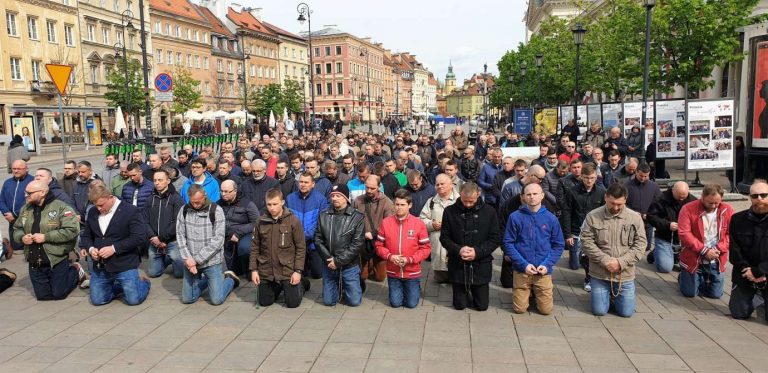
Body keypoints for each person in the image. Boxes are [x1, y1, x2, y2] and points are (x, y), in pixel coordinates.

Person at [581, 183, 646, 317]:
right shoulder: (593, 216)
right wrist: (605, 260)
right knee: (599, 311)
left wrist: (621, 262)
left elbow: (640, 244)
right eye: (612, 203)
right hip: (600, 273)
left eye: (619, 204)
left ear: (625, 200)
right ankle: (603, 296)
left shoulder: (634, 218)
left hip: (625, 274)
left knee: (626, 313)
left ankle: (612, 297)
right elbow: (586, 242)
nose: (615, 207)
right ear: (605, 197)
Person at [79, 184, 150, 306]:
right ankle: (119, 287)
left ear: (110, 197)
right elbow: (86, 236)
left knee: (133, 300)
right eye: (96, 205)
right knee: (98, 300)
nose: (99, 208)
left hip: (124, 263)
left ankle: (143, 282)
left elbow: (139, 237)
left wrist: (114, 248)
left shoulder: (131, 211)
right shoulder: (92, 212)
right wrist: (90, 249)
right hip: (101, 265)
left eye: (101, 205)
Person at [14, 181, 85, 300]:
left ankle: (75, 270)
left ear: (42, 192)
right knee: (43, 297)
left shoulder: (61, 207)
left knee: (59, 294)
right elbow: (17, 228)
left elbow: (72, 230)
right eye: (26, 192)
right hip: (35, 259)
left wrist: (45, 237)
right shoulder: (26, 209)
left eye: (30, 193)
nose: (26, 195)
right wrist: (22, 237)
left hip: (56, 258)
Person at [503, 183, 564, 314]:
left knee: (546, 310)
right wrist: (523, 264)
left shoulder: (551, 218)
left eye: (535, 194)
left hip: (543, 270)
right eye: (528, 194)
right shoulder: (515, 217)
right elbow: (508, 243)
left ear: (542, 196)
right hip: (522, 269)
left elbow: (558, 244)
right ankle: (525, 293)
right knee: (519, 309)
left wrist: (547, 265)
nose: (532, 197)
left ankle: (536, 293)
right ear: (523, 197)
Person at [440, 182, 502, 311]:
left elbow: (495, 238)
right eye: (464, 201)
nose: (468, 204)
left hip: (480, 263)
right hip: (458, 263)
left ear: (478, 195)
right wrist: (458, 249)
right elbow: (444, 237)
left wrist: (478, 252)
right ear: (460, 195)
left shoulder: (489, 211)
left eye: (471, 201)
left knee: (481, 306)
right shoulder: (449, 211)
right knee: (460, 306)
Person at [176, 184, 239, 305]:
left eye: (198, 202)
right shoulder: (184, 210)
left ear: (204, 197)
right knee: (188, 299)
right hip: (190, 262)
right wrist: (187, 258)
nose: (195, 205)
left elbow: (218, 240)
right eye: (192, 202)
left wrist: (197, 260)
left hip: (211, 262)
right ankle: (207, 282)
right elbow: (180, 236)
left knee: (216, 300)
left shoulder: (216, 210)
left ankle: (230, 280)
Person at [250, 188, 306, 308]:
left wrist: (298, 271)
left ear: (282, 202)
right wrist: (254, 270)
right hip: (267, 269)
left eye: (275, 204)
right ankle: (278, 286)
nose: (272, 208)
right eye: (269, 204)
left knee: (292, 303)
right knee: (264, 302)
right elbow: (255, 247)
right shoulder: (261, 221)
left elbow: (301, 248)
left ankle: (301, 284)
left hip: (287, 268)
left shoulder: (293, 221)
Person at [374, 189, 430, 308]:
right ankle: (403, 290)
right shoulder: (386, 222)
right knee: (395, 303)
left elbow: (425, 248)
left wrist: (409, 259)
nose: (399, 208)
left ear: (410, 205)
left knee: (411, 304)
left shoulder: (418, 224)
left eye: (402, 205)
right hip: (393, 271)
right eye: (397, 204)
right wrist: (390, 256)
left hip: (412, 271)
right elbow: (379, 245)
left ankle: (414, 288)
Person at [677, 184, 734, 299]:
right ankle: (684, 277)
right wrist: (704, 250)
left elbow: (731, 234)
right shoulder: (687, 209)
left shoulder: (728, 210)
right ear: (702, 197)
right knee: (690, 293)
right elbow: (684, 233)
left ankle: (699, 279)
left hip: (716, 257)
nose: (713, 206)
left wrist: (718, 248)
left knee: (715, 295)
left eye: (716, 203)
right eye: (710, 203)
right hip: (694, 256)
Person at [314, 184, 366, 306]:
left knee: (354, 302)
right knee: (328, 301)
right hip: (329, 263)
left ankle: (356, 283)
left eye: (338, 196)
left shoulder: (357, 217)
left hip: (349, 264)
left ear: (346, 198)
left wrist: (338, 261)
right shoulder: (323, 215)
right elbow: (317, 239)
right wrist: (329, 259)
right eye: (333, 196)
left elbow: (357, 244)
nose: (335, 199)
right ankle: (339, 285)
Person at [560, 163, 605, 292]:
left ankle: (589, 278)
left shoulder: (602, 193)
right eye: (586, 178)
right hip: (576, 230)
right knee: (575, 265)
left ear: (596, 177)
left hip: (594, 232)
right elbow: (566, 213)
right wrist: (567, 235)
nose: (589, 181)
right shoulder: (572, 192)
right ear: (581, 177)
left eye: (591, 178)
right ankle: (575, 257)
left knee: (590, 256)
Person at [729, 180, 768, 322]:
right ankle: (757, 296)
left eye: (764, 195)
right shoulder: (737, 219)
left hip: (766, 272)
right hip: (745, 273)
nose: (759, 199)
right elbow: (734, 251)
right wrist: (749, 271)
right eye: (755, 196)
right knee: (739, 313)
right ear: (749, 197)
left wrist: (760, 271)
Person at [286, 173, 328, 282]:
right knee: (300, 272)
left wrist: (305, 235)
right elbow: (287, 220)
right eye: (301, 182)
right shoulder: (290, 199)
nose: (303, 185)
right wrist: (298, 236)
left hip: (314, 242)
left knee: (317, 273)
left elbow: (320, 223)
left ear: (313, 184)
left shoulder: (321, 199)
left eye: (306, 182)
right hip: (296, 242)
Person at [647, 182, 697, 273]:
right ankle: (657, 252)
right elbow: (651, 217)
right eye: (679, 196)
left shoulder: (694, 201)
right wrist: (667, 224)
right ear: (673, 190)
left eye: (684, 196)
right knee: (665, 268)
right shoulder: (660, 199)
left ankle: (664, 253)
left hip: (684, 240)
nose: (681, 199)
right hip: (665, 237)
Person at [353, 175, 394, 284]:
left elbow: (389, 223)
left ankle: (374, 263)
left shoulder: (387, 202)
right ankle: (367, 264)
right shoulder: (358, 200)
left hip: (379, 241)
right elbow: (352, 221)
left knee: (380, 278)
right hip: (363, 242)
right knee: (362, 276)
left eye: (372, 188)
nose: (369, 190)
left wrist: (374, 233)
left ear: (379, 187)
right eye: (367, 187)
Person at [144, 169, 185, 278]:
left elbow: (177, 222)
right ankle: (166, 258)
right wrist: (153, 237)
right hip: (154, 241)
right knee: (153, 273)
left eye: (160, 180)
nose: (157, 183)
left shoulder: (176, 198)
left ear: (168, 181)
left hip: (171, 241)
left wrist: (162, 238)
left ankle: (171, 258)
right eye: (155, 180)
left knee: (179, 274)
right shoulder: (150, 199)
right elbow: (145, 220)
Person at [625, 163, 661, 255]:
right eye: (641, 175)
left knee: (647, 246)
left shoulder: (654, 187)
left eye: (646, 176)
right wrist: (632, 213)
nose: (643, 178)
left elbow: (659, 204)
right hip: (631, 221)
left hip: (647, 221)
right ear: (636, 172)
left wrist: (649, 215)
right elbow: (623, 203)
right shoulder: (627, 186)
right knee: (630, 246)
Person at [1, 160, 35, 258]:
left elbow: (30, 200)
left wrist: (15, 214)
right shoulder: (8, 182)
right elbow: (1, 199)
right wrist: (6, 212)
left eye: (19, 169)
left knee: (28, 244)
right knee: (15, 245)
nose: (16, 171)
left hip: (27, 218)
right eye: (14, 169)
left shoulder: (32, 181)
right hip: (11, 219)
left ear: (26, 169)